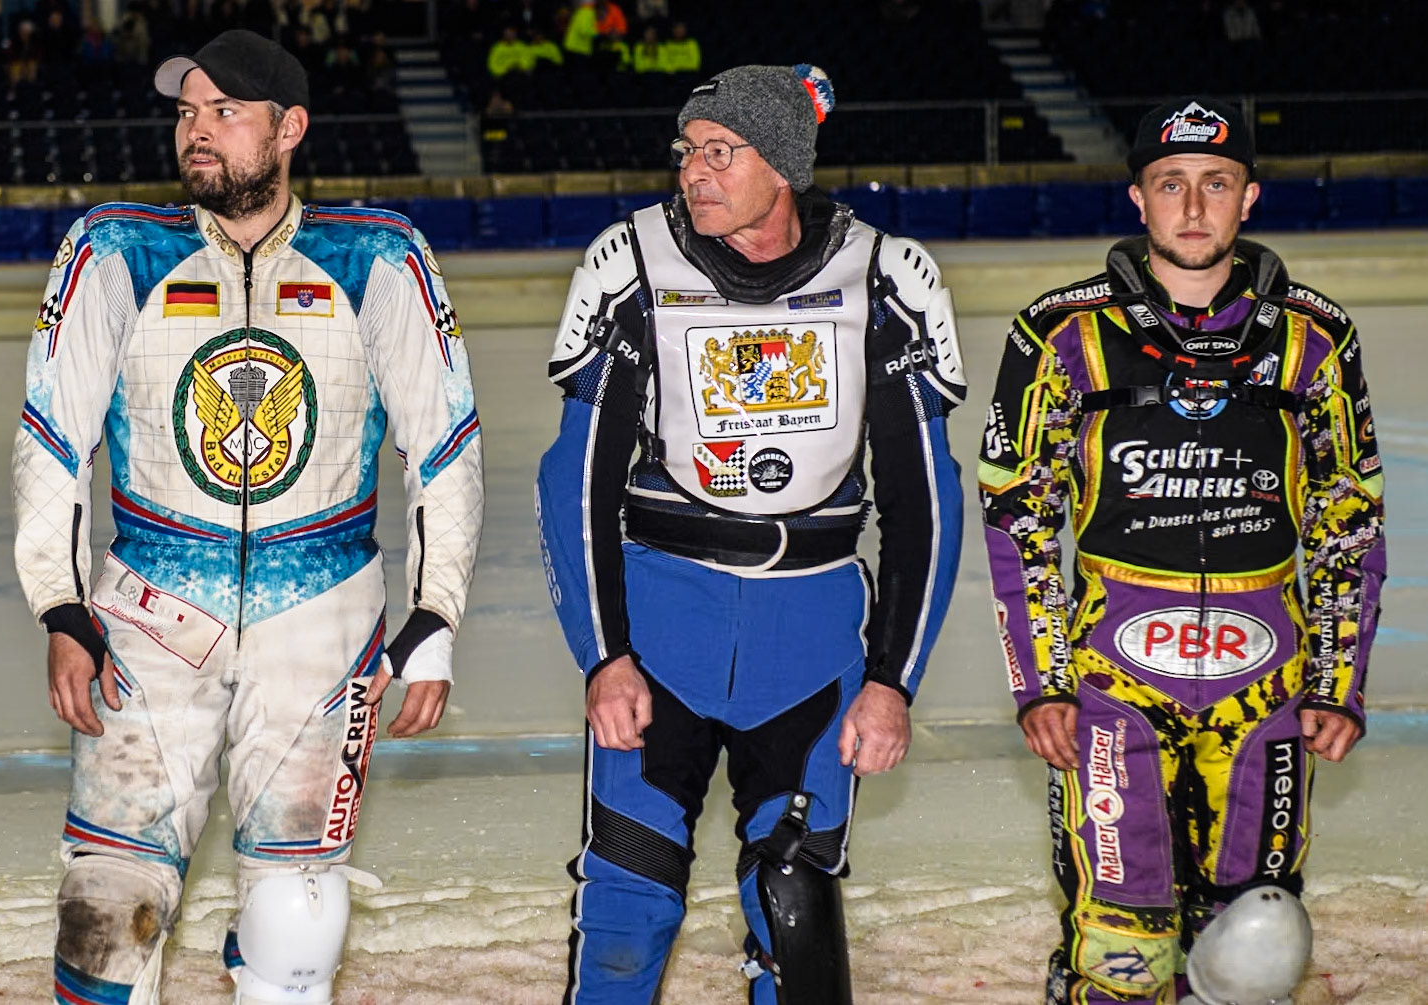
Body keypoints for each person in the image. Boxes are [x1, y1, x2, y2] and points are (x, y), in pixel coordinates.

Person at [12, 28, 483, 1005]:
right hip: (148, 620)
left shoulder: (379, 259)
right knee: (104, 911)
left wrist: (435, 619)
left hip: (324, 622)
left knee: (297, 917)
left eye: (225, 111)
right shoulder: (115, 251)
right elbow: (54, 440)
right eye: (188, 112)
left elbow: (443, 446)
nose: (199, 131)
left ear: (291, 126)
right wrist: (62, 609)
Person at [536, 63, 966, 1005]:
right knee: (629, 902)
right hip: (661, 638)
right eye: (688, 151)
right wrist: (604, 656)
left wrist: (893, 681)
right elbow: (574, 482)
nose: (695, 170)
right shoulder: (634, 267)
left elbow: (925, 503)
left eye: (721, 152)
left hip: (810, 647)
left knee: (793, 896)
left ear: (783, 165)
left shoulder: (885, 280)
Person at [978, 97, 1385, 1005]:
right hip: (1111, 681)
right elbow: (1019, 519)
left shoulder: (1317, 338)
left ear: (1250, 197)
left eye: (1216, 183)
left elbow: (1348, 521)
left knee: (1257, 934)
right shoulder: (1059, 334)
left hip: (1267, 685)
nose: (1193, 207)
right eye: (1172, 184)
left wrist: (1337, 684)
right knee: (1120, 942)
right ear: (1137, 199)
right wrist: (1041, 683)